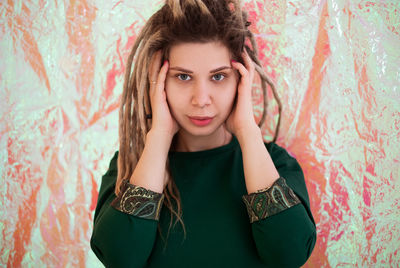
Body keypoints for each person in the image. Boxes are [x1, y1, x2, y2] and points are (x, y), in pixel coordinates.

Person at [90, 0, 317, 267]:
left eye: (218, 76)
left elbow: (289, 256)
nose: (201, 99)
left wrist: (247, 131)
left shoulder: (276, 164)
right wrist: (160, 134)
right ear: (158, 82)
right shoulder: (129, 166)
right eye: (183, 77)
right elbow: (120, 258)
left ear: (241, 80)